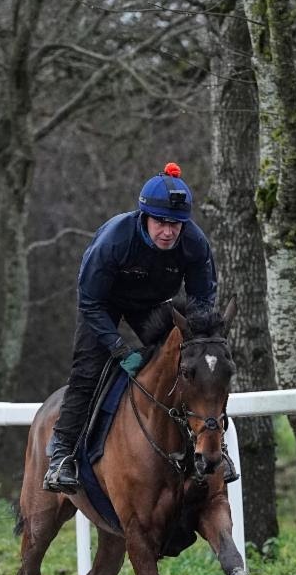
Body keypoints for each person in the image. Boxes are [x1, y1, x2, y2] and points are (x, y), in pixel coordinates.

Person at [44, 162, 239, 493]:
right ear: (145, 217)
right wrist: (120, 349)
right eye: (161, 222)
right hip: (102, 306)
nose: (169, 231)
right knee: (88, 370)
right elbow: (89, 302)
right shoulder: (114, 241)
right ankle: (62, 454)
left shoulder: (194, 243)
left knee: (194, 368)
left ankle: (210, 449)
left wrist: (204, 345)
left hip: (152, 306)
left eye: (176, 225)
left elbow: (202, 305)